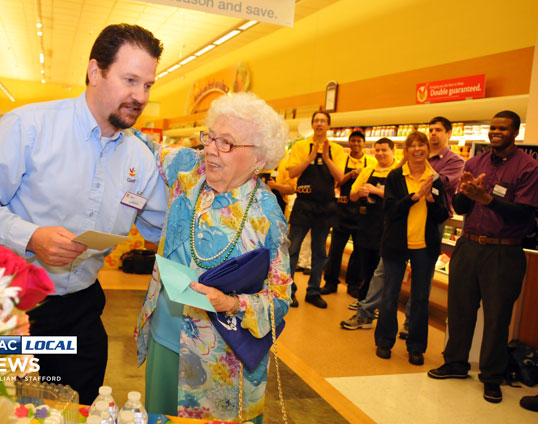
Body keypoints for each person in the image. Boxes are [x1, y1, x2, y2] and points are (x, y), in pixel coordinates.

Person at [0, 24, 167, 405]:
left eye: (148, 85)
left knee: (77, 406)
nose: (140, 96)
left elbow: (158, 225)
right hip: (9, 307)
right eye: (130, 80)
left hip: (81, 307)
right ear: (95, 71)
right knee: (1, 408)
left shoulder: (140, 157)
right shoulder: (28, 126)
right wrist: (31, 237)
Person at [134, 92, 291, 423]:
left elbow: (279, 300)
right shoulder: (189, 169)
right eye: (210, 137)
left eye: (227, 144)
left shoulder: (267, 215)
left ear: (260, 160)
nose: (210, 149)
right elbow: (141, 145)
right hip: (165, 335)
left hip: (223, 359)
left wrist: (231, 304)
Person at [428, 110, 538, 404]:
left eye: (503, 128)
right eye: (493, 128)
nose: (496, 132)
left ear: (515, 132)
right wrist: (466, 192)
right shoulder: (475, 162)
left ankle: (491, 377)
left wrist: (487, 198)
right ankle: (455, 364)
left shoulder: (528, 167)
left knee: (497, 317)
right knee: (460, 309)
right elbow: (463, 207)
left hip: (504, 251)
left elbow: (525, 214)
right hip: (469, 246)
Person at [374, 131, 450, 365]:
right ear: (406, 151)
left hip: (424, 247)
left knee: (420, 298)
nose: (417, 150)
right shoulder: (397, 176)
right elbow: (390, 210)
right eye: (412, 146)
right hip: (397, 244)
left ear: (428, 150)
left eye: (422, 146)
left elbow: (442, 215)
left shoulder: (435, 179)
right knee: (390, 295)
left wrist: (431, 201)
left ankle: (416, 347)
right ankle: (384, 341)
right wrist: (415, 197)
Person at [398, 116, 465, 338]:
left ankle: (412, 322)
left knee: (423, 275)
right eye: (430, 130)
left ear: (449, 133)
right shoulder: (416, 155)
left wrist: (420, 161)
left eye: (438, 130)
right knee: (386, 270)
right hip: (406, 216)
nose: (433, 133)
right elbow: (397, 179)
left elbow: (440, 182)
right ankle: (369, 310)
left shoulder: (455, 161)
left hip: (432, 221)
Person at [286, 111, 345, 308]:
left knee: (320, 252)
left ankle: (313, 291)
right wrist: (310, 157)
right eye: (316, 120)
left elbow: (341, 178)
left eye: (323, 121)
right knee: (292, 249)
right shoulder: (301, 146)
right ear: (312, 124)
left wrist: (326, 158)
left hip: (325, 205)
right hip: (303, 204)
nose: (319, 124)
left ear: (328, 126)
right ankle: (288, 291)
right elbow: (292, 171)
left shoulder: (336, 149)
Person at [340, 138, 397, 330]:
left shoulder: (397, 172)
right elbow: (352, 195)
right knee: (366, 264)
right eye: (377, 150)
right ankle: (364, 301)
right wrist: (361, 193)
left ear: (393, 150)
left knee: (380, 269)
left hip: (387, 226)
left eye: (384, 150)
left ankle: (373, 306)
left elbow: (399, 198)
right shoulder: (368, 170)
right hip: (366, 224)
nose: (380, 153)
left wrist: (376, 191)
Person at [322, 130, 376, 297]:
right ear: (349, 143)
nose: (356, 144)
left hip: (361, 212)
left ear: (364, 143)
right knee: (336, 249)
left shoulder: (371, 162)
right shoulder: (343, 159)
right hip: (342, 210)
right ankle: (330, 282)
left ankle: (353, 285)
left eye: (359, 141)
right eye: (353, 141)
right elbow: (338, 181)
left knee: (359, 251)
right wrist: (351, 174)